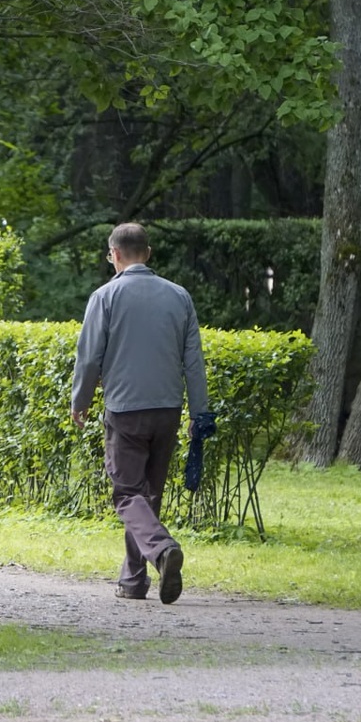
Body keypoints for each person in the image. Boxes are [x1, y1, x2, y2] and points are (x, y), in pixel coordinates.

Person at [70, 222, 209, 605]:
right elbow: (193, 360)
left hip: (125, 409)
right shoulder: (179, 296)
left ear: (114, 255)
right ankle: (133, 581)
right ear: (147, 254)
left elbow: (89, 357)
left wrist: (79, 401)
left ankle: (163, 550)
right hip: (168, 409)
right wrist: (200, 410)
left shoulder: (105, 296)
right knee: (148, 496)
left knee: (127, 494)